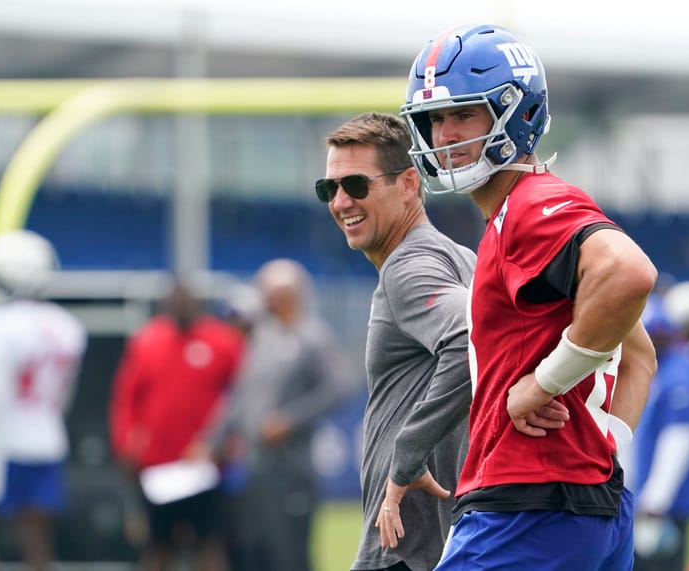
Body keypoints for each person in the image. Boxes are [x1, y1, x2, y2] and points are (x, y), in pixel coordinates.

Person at [400, 24, 659, 570]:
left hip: (528, 506)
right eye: (434, 119)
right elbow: (638, 357)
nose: (444, 135)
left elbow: (629, 273)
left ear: (516, 112)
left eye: (463, 114)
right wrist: (603, 445)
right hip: (585, 505)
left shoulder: (528, 205)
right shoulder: (522, 211)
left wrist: (541, 384)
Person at [320, 111, 566, 570]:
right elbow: (498, 340)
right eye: (327, 189)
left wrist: (407, 456)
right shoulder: (461, 257)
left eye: (356, 185)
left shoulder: (408, 266)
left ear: (410, 183)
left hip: (409, 548)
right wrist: (526, 386)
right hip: (445, 536)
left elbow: (467, 336)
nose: (339, 202)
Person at [0, 229, 87, 571]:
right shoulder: (68, 326)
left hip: (0, 444)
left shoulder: (1, 325)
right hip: (47, 439)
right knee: (37, 539)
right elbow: (63, 398)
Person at [211, 258, 355, 571]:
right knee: (255, 552)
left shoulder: (314, 337)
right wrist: (213, 440)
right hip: (255, 466)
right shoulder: (262, 338)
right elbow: (239, 398)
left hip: (292, 468)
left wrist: (290, 421)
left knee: (288, 555)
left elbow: (339, 387)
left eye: (268, 291)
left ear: (289, 294)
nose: (262, 298)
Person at [109, 279, 245, 571]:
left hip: (204, 465)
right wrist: (125, 444)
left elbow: (243, 394)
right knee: (159, 546)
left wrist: (227, 442)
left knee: (208, 544)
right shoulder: (146, 341)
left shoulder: (221, 342)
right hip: (158, 465)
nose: (182, 307)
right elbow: (127, 398)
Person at [631, 293, 689, 570]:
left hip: (665, 502)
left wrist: (657, 496)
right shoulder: (657, 369)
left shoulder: (679, 372)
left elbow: (680, 438)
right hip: (645, 494)